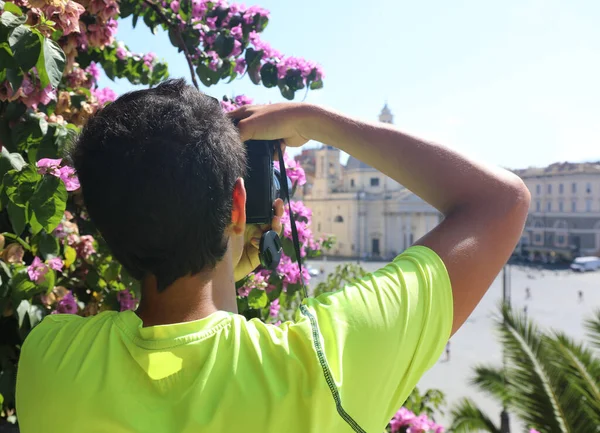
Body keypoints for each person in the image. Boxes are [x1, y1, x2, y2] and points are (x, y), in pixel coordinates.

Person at [15, 79, 530, 433]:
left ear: (104, 226)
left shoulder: (48, 357)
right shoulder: (320, 367)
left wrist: (220, 267)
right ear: (238, 205)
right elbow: (501, 201)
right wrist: (313, 118)